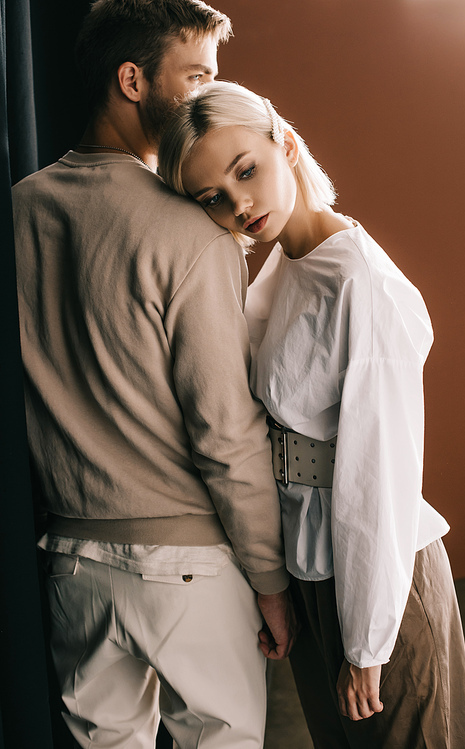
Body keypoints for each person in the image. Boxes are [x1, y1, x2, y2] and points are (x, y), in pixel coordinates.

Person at [158, 80, 465, 748]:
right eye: (212, 195)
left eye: (246, 171)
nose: (238, 204)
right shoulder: (283, 268)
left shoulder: (361, 283)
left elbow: (377, 476)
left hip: (381, 582)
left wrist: (366, 640)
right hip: (313, 576)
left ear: (287, 144)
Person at [13, 5, 295, 748]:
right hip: (191, 567)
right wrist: (270, 579)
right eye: (197, 74)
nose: (211, 92)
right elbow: (225, 432)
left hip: (72, 566)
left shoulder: (18, 212)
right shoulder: (193, 232)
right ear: (133, 80)